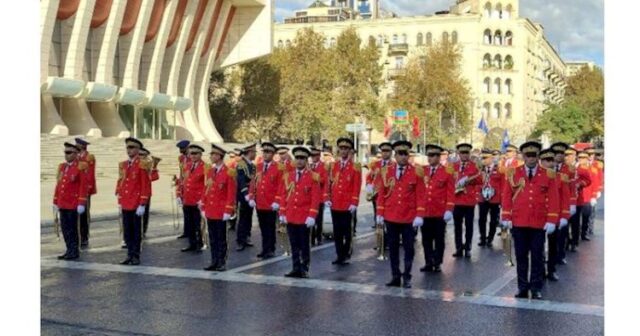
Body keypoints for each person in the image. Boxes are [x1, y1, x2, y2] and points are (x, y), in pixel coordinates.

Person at [501, 141, 559, 300]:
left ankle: (536, 287)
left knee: (537, 256)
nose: (531, 159)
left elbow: (554, 198)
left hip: (539, 222)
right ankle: (522, 287)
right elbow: (506, 196)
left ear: (538, 156)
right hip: (519, 221)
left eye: (534, 155)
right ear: (523, 156)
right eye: (528, 155)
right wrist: (506, 216)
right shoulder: (513, 172)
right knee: (521, 256)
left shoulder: (548, 174)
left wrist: (552, 219)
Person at [375, 140, 425, 288]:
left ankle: (407, 276)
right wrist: (380, 212)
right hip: (391, 216)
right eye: (400, 154)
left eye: (405, 154)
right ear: (394, 155)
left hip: (409, 217)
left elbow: (421, 195)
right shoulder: (385, 171)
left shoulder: (417, 171)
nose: (403, 157)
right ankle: (395, 275)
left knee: (409, 249)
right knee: (393, 248)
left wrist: (419, 215)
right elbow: (381, 194)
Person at [278, 147, 322, 278]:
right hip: (291, 215)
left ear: (306, 160)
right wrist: (282, 213)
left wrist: (312, 215)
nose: (299, 161)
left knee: (304, 244)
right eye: (297, 158)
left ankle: (304, 268)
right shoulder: (288, 176)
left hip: (304, 216)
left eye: (302, 158)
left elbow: (315, 198)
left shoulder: (313, 177)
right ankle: (295, 267)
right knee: (294, 244)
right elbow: (283, 195)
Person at [419, 144, 455, 273]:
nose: (431, 158)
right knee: (426, 238)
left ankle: (437, 262)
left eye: (434, 155)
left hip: (439, 211)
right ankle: (428, 261)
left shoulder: (447, 171)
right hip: (425, 211)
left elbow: (450, 192)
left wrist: (449, 209)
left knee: (439, 239)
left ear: (439, 157)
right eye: (429, 155)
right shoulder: (422, 170)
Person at [326, 137, 362, 265]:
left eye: (346, 148)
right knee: (337, 231)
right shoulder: (332, 166)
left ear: (350, 150)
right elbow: (328, 184)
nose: (343, 151)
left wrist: (354, 202)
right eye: (341, 148)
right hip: (335, 203)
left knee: (347, 231)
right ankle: (339, 254)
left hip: (347, 204)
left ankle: (347, 252)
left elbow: (356, 186)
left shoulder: (355, 167)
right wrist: (327, 198)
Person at [201, 144, 237, 272]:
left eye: (213, 154)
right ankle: (214, 261)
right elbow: (207, 189)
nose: (210, 157)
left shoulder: (229, 172)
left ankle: (221, 262)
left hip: (221, 211)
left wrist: (228, 209)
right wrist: (203, 204)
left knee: (221, 238)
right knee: (212, 237)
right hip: (211, 209)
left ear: (219, 156)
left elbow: (231, 193)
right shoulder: (211, 170)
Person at [116, 138, 151, 265]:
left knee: (136, 232)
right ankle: (129, 255)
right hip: (126, 202)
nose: (129, 150)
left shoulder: (142, 164)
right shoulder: (124, 164)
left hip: (136, 203)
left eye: (131, 147)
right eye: (127, 147)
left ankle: (136, 255)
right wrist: (120, 198)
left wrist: (142, 203)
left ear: (137, 149)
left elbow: (145, 185)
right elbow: (121, 182)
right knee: (127, 231)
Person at [53, 142, 89, 260]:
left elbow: (83, 186)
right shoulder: (62, 167)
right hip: (63, 202)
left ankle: (74, 251)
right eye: (65, 152)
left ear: (76, 154)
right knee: (65, 228)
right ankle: (68, 249)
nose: (66, 155)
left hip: (73, 203)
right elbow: (59, 185)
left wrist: (81, 203)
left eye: (69, 152)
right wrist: (55, 201)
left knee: (73, 229)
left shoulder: (81, 166)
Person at [248, 142, 284, 259]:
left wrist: (277, 201)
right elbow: (254, 182)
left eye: (268, 152)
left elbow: (281, 185)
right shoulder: (258, 166)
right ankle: (265, 248)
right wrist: (251, 196)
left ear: (273, 154)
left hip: (271, 202)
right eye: (264, 152)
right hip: (260, 202)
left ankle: (271, 249)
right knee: (263, 227)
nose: (265, 154)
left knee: (270, 227)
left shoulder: (278, 167)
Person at [539, 148, 570, 281]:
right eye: (547, 160)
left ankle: (551, 270)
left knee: (553, 245)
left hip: (554, 216)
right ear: (541, 161)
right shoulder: (536, 177)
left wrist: (564, 216)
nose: (550, 163)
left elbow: (565, 198)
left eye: (552, 160)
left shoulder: (561, 178)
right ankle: (539, 270)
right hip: (538, 217)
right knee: (538, 246)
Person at [452, 143, 481, 258]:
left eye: (466, 153)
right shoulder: (453, 166)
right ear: (458, 154)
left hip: (469, 201)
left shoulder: (475, 166)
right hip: (456, 200)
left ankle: (468, 247)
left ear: (469, 153)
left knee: (469, 226)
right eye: (462, 153)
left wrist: (468, 180)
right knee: (457, 226)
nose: (464, 155)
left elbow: (480, 180)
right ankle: (458, 248)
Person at [177, 144, 208, 252]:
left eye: (195, 153)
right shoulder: (187, 165)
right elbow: (183, 181)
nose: (193, 156)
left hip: (198, 199)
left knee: (198, 224)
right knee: (189, 223)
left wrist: (203, 199)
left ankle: (200, 243)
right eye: (191, 153)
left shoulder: (206, 167)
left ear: (200, 154)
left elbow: (207, 185)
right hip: (187, 198)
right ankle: (191, 243)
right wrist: (179, 194)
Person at [477, 149, 504, 248]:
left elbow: (503, 185)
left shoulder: (499, 169)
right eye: (482, 158)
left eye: (485, 158)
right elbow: (477, 182)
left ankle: (490, 238)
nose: (483, 160)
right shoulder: (480, 170)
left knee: (493, 220)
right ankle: (483, 238)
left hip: (495, 199)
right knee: (481, 219)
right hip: (482, 198)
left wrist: (502, 200)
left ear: (491, 158)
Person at [566, 149, 592, 252]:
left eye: (571, 155)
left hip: (577, 200)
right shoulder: (562, 168)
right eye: (567, 155)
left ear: (575, 156)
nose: (568, 157)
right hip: (564, 200)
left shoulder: (581, 169)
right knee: (565, 223)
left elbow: (588, 181)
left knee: (575, 223)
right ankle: (566, 241)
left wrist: (580, 183)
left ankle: (574, 243)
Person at [235, 144, 257, 251]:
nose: (255, 154)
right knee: (243, 218)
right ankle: (240, 240)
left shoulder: (252, 165)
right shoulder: (241, 164)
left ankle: (247, 237)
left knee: (248, 217)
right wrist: (246, 195)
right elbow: (241, 181)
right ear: (249, 152)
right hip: (244, 195)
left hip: (251, 195)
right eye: (254, 152)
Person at [75, 138, 95, 248]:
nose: (75, 145)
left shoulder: (89, 157)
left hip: (85, 189)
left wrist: (88, 188)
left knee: (84, 215)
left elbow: (90, 174)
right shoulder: (76, 157)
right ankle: (77, 236)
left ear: (82, 146)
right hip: (75, 190)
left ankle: (84, 237)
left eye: (77, 144)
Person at [309, 146, 329, 246]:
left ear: (319, 156)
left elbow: (324, 180)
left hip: (320, 197)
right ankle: (311, 239)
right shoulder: (308, 165)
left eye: (315, 155)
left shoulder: (324, 166)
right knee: (310, 218)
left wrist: (314, 176)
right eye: (312, 155)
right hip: (309, 196)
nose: (313, 157)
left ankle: (319, 237)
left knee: (318, 219)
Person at [139, 148, 160, 238]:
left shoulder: (148, 165)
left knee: (145, 213)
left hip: (146, 193)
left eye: (143, 155)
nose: (141, 156)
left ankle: (143, 230)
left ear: (146, 155)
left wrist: (154, 167)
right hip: (134, 193)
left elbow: (154, 177)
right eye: (139, 154)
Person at [175, 140, 191, 239]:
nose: (180, 150)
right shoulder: (181, 158)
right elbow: (181, 172)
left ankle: (192, 231)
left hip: (190, 186)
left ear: (187, 148)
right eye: (180, 149)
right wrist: (178, 181)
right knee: (185, 210)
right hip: (183, 186)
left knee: (190, 211)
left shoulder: (191, 158)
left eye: (182, 148)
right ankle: (186, 231)